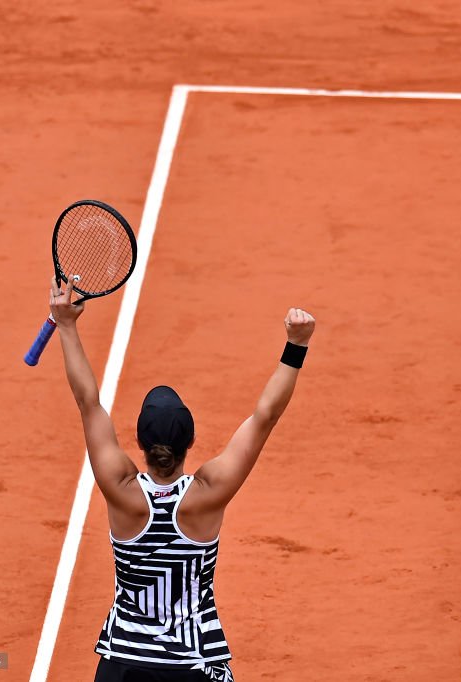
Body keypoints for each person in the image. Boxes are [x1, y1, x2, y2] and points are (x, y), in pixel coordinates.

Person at [48, 276, 315, 682]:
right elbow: (265, 417)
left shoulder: (121, 489)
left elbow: (88, 402)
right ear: (190, 442)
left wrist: (65, 325)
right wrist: (296, 345)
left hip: (122, 665)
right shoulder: (207, 493)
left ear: (138, 441)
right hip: (192, 665)